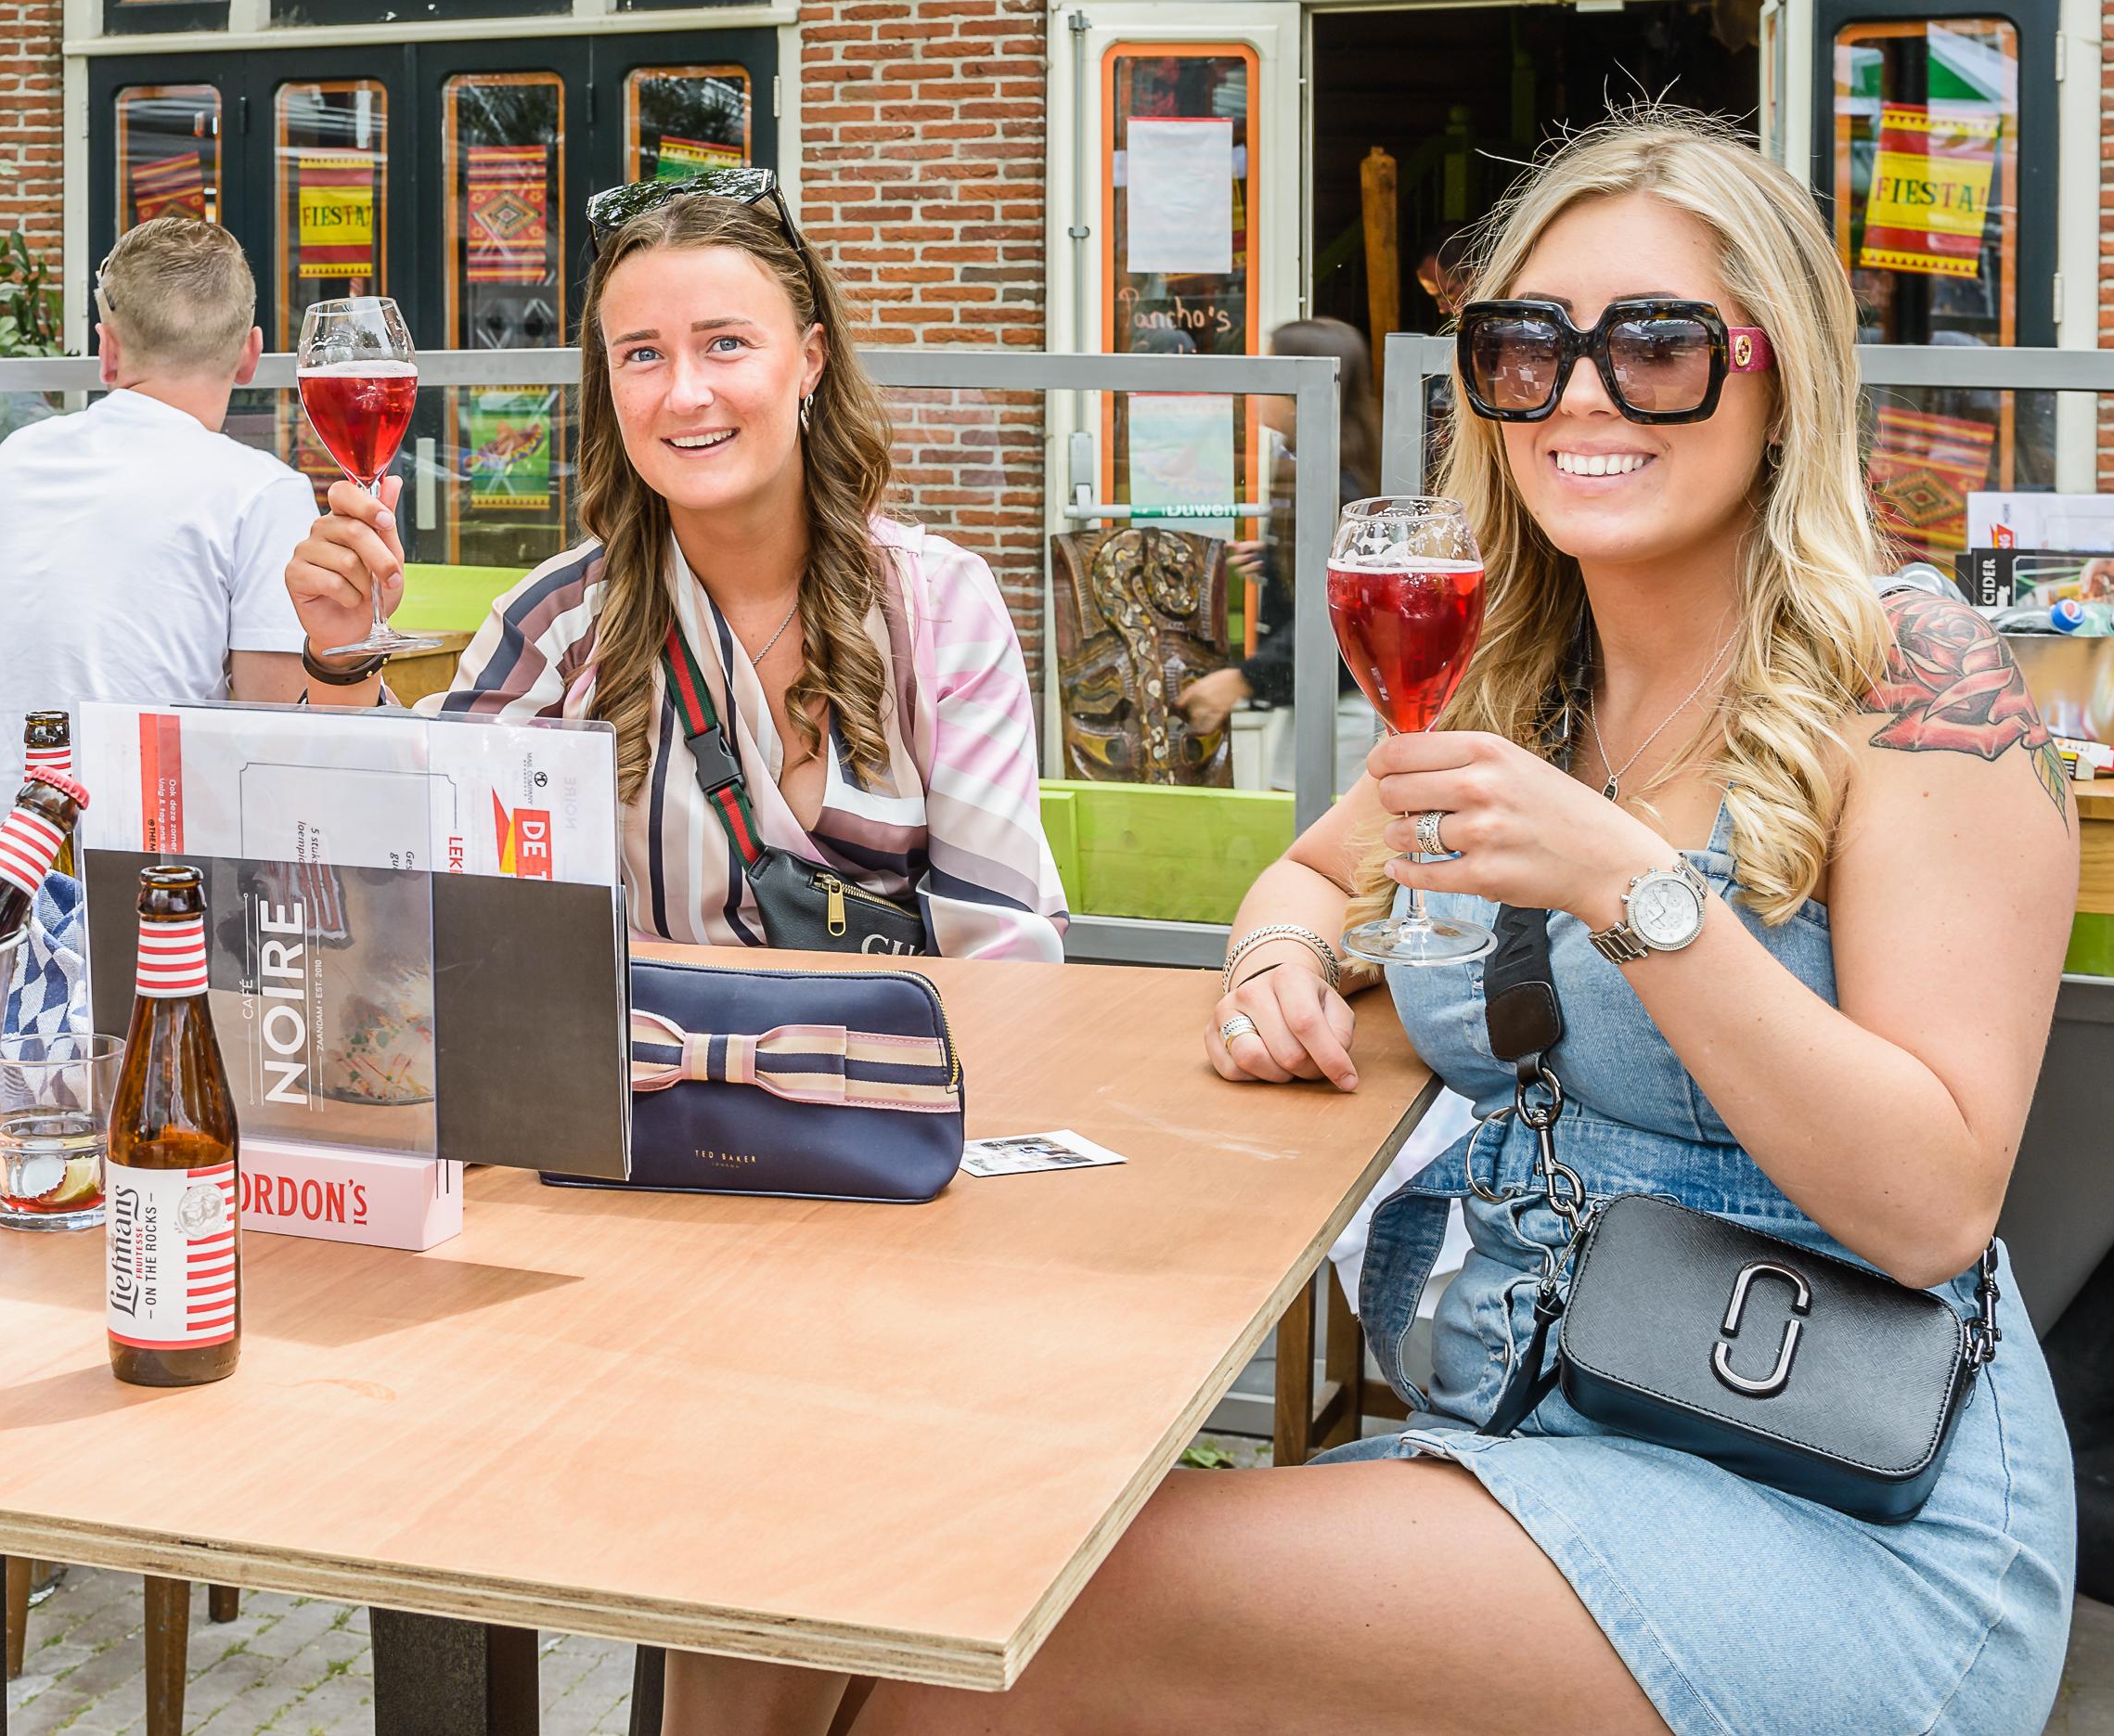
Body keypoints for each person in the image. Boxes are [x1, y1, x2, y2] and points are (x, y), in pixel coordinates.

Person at [669, 112, 2077, 1735]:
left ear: (1778, 376)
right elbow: (1300, 880)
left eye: (1657, 347)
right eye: (1525, 348)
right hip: (1524, 1423)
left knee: (999, 1614)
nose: (1581, 396)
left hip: (1827, 1493)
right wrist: (1278, 963)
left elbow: (1930, 1205)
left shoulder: (1913, 679)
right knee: (781, 1539)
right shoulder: (1521, 687)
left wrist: (1630, 890)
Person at [284, 172, 1067, 958]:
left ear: (810, 359)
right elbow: (403, 879)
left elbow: (1000, 954)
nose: (685, 393)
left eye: (725, 343)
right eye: (642, 354)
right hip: (647, 1045)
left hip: (893, 1042)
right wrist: (341, 656)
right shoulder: (556, 623)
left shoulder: (937, 608)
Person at [0, 216, 312, 836]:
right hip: (168, 876)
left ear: (108, 351)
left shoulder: (14, 458)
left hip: (14, 869)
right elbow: (273, 737)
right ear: (250, 355)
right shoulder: (263, 491)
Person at [1176, 315, 1381, 744]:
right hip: (1321, 696)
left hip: (1343, 704)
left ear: (1299, 392)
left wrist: (1241, 680)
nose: (1257, 389)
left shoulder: (1337, 487)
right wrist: (1275, 560)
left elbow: (1339, 614)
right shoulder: (1312, 465)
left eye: (1269, 375)